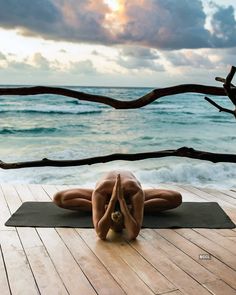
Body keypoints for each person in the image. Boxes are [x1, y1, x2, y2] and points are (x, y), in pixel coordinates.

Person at [53, 170, 182, 240]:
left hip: (121, 195)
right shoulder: (106, 191)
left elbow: (101, 233)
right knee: (58, 198)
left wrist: (117, 199)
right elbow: (132, 233)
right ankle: (136, 209)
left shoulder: (132, 190)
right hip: (116, 195)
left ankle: (98, 209)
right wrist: (117, 200)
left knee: (176, 198)